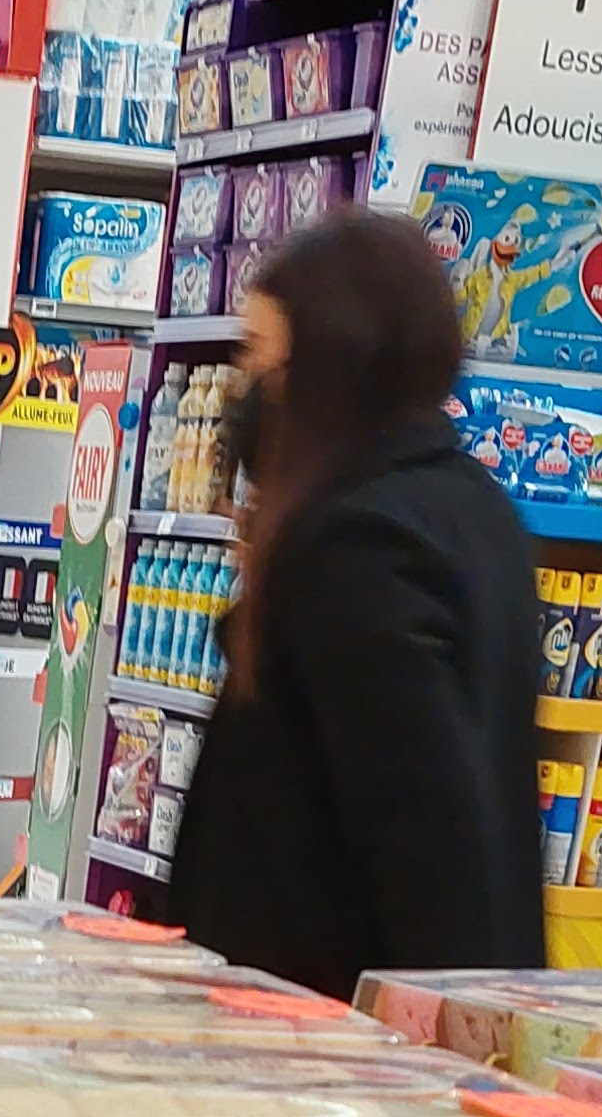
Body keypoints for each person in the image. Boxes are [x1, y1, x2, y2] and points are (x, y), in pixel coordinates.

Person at [163, 206, 545, 999]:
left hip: (322, 1038)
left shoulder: (355, 546)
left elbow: (429, 846)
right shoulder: (474, 509)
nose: (242, 388)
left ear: (324, 365)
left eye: (258, 355)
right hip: (408, 1028)